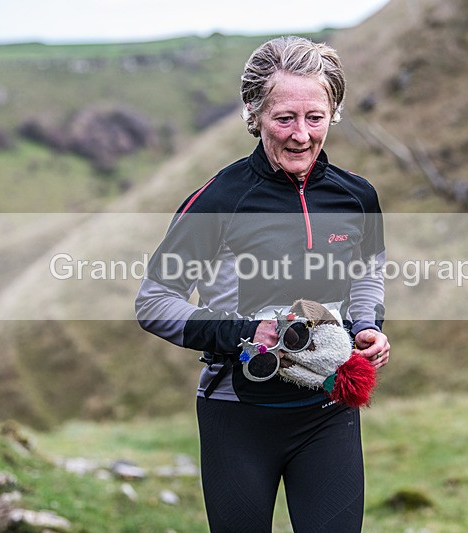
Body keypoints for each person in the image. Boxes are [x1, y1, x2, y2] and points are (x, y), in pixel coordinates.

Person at [135, 35, 390, 533]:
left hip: (328, 410)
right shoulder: (219, 201)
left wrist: (366, 327)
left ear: (333, 114)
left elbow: (367, 270)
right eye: (284, 118)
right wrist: (246, 332)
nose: (301, 135)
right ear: (254, 114)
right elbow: (155, 301)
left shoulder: (357, 196)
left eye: (315, 117)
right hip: (238, 416)